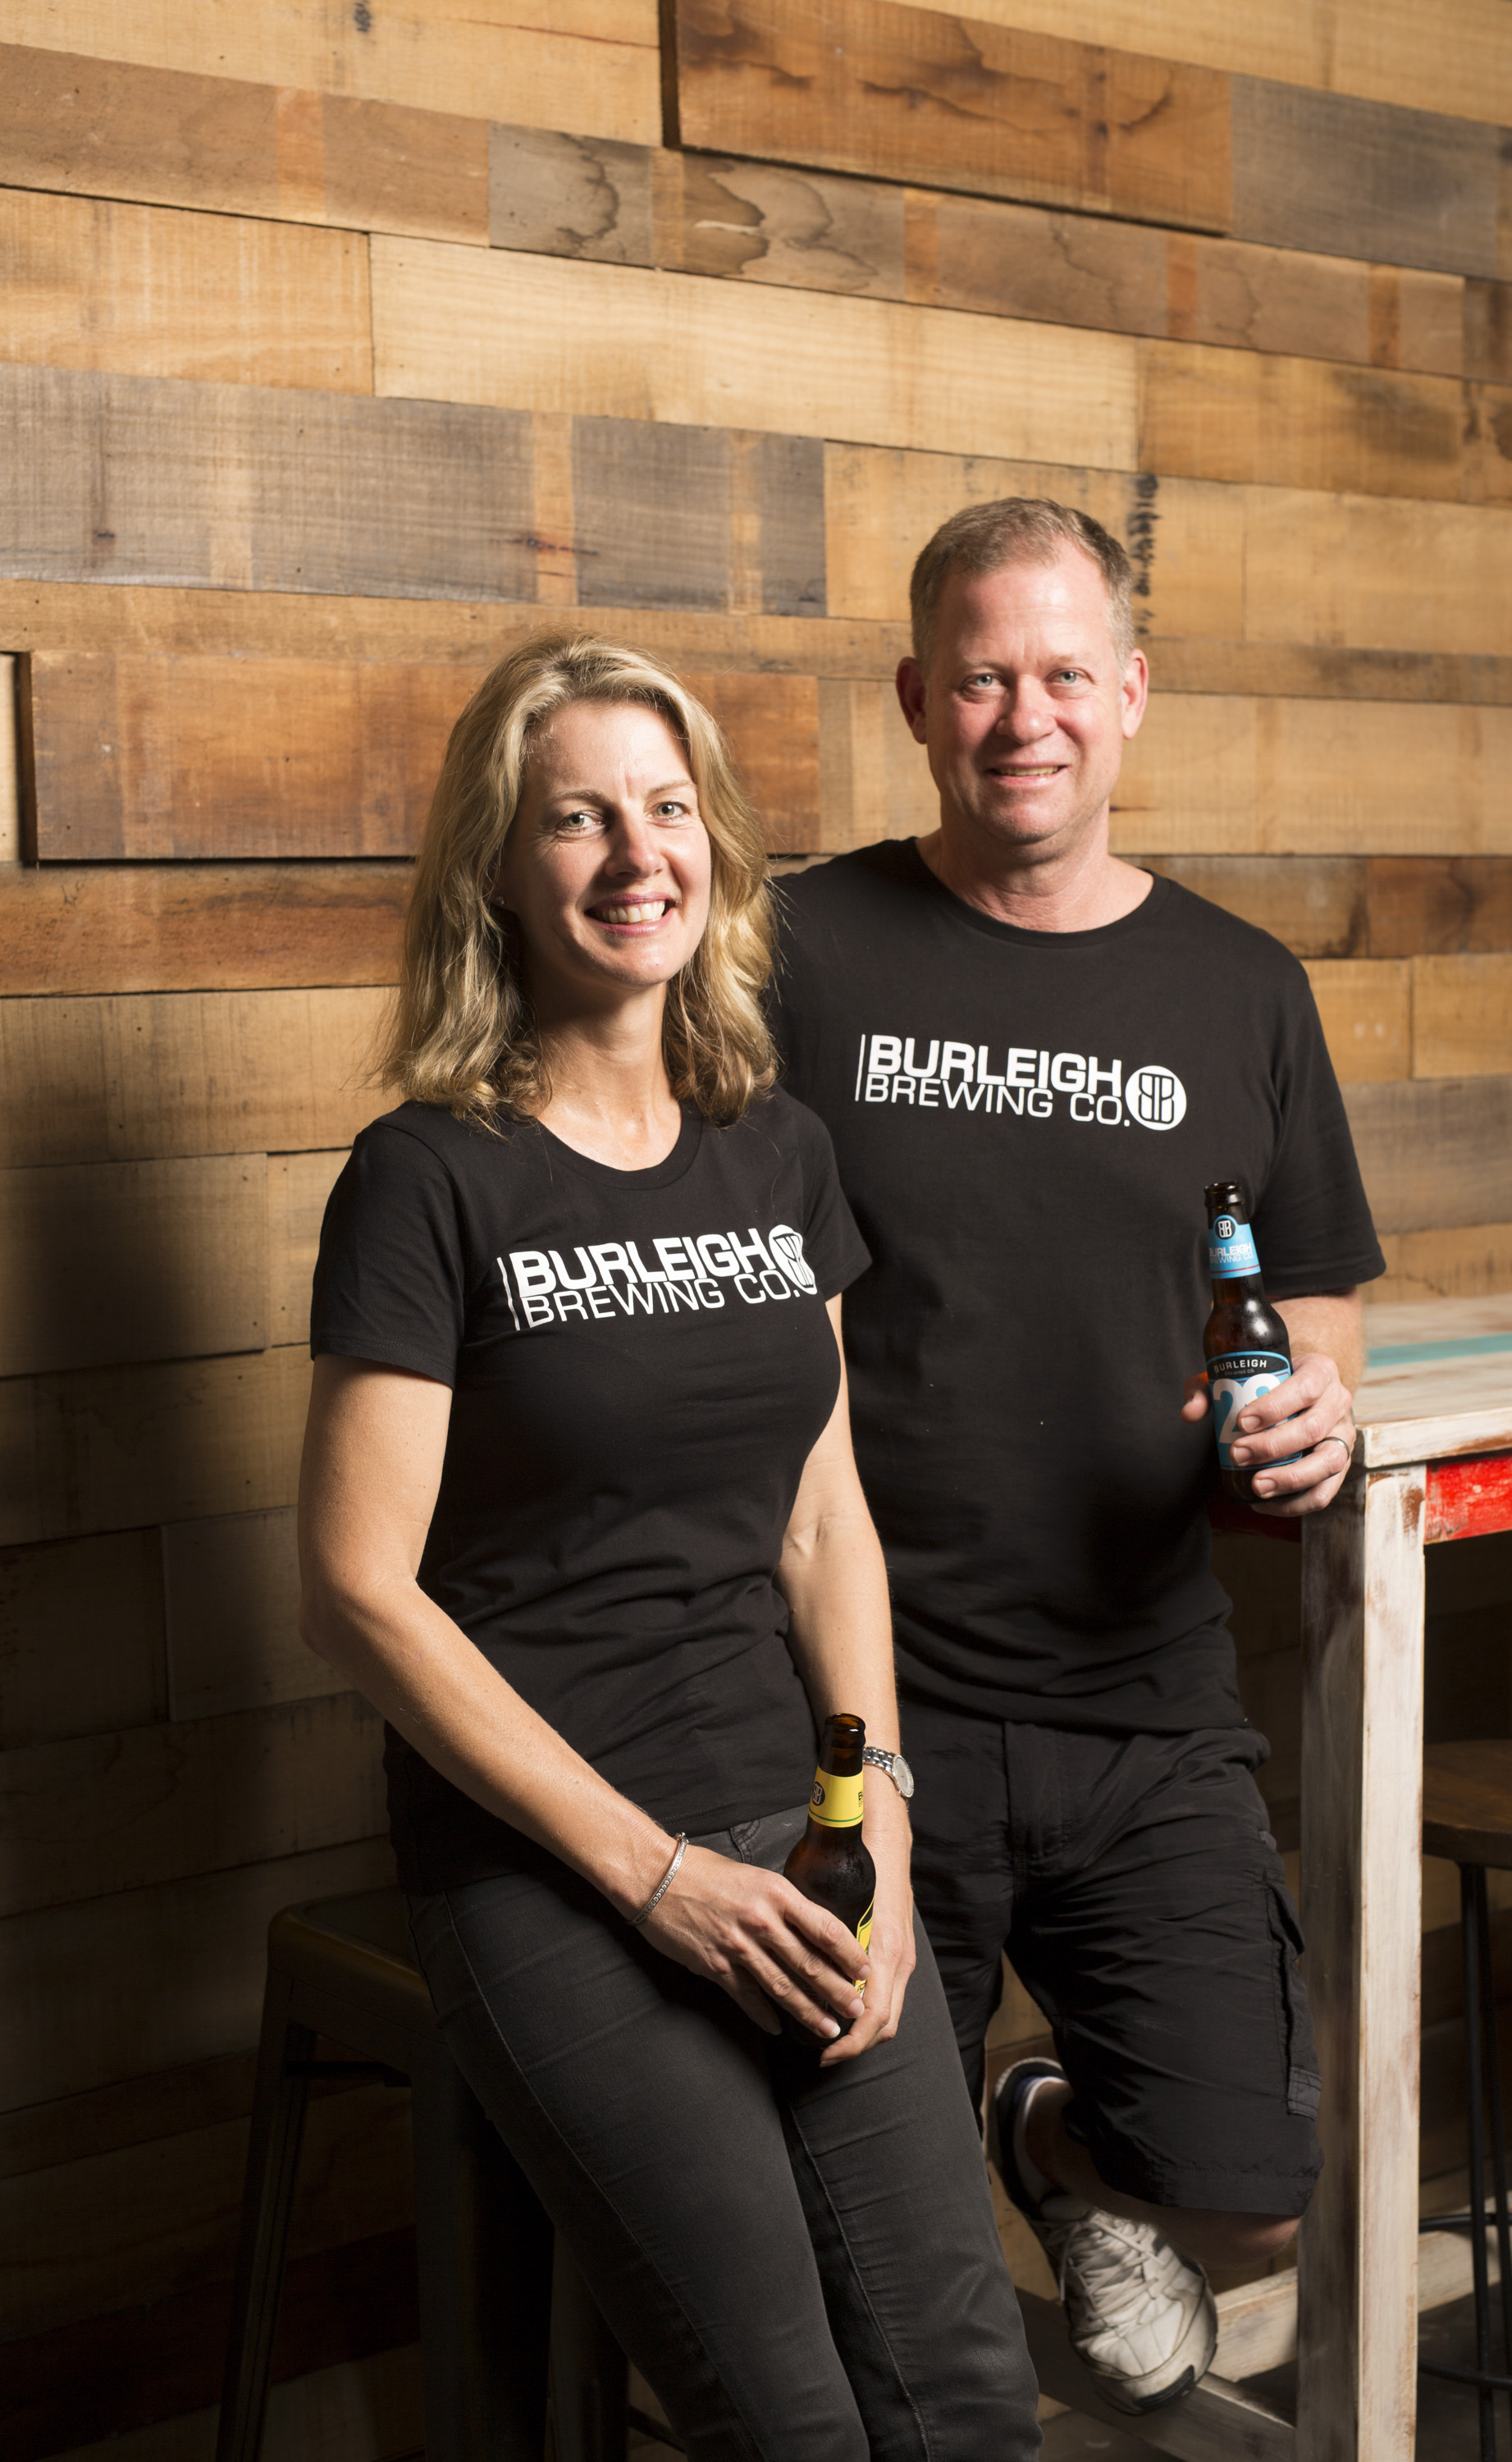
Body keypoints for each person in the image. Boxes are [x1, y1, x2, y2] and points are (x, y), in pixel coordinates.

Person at [298, 635, 1041, 2461]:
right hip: (550, 1864)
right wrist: (647, 1879)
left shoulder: (776, 1151)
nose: (638, 856)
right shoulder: (430, 1178)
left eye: (667, 808)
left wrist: (881, 1826)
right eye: (577, 819)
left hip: (792, 1831)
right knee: (785, 2420)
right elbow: (355, 1590)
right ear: (499, 866)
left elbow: (822, 1513)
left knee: (966, 2398)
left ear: (712, 846)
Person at [769, 501, 1385, 2415]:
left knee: (1258, 2200)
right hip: (870, 1701)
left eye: (1058, 674)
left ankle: (1054, 2140)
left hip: (1141, 1697)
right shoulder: (798, 945)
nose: (1019, 717)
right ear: (912, 701)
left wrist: (1320, 1412)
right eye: (977, 678)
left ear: (1128, 696)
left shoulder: (1240, 987)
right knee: (866, 2266)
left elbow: (1318, 1293)